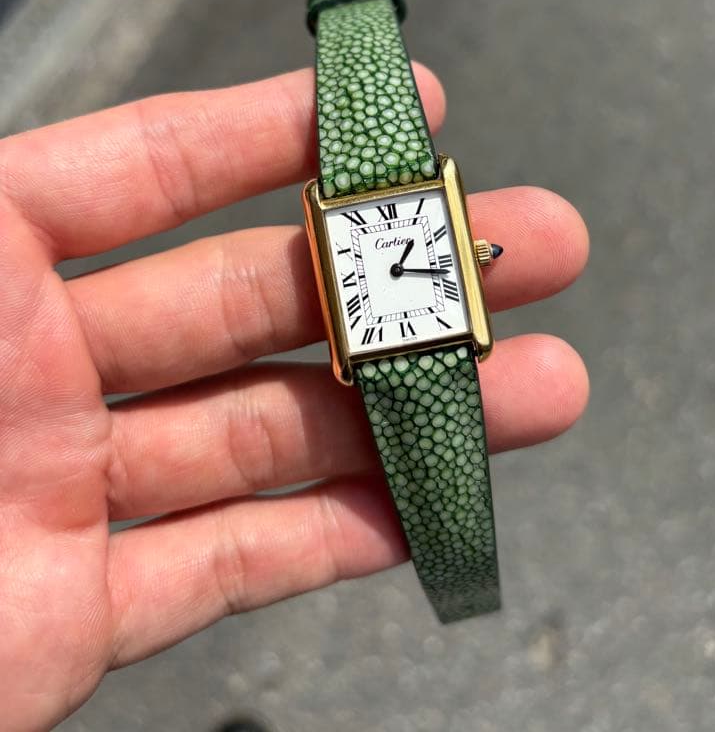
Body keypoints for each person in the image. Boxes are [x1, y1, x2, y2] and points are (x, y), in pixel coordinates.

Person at [0, 66, 589, 731]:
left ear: (472, 248)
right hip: (404, 349)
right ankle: (464, 582)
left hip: (406, 347)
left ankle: (463, 581)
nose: (398, 266)